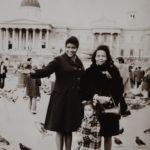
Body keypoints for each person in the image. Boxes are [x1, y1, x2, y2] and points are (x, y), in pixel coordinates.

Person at [30, 36, 85, 150]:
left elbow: (83, 79)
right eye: (68, 47)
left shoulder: (79, 62)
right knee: (60, 129)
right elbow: (47, 70)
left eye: (73, 47)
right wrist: (33, 72)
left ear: (77, 48)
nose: (70, 50)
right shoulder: (59, 60)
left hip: (73, 99)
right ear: (65, 47)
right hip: (61, 98)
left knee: (69, 129)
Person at [80, 45, 130, 150]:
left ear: (107, 57)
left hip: (109, 107)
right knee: (94, 134)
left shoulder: (113, 70)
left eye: (103, 55)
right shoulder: (89, 71)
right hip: (94, 106)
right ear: (94, 57)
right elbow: (84, 88)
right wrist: (95, 96)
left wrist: (109, 98)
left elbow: (119, 88)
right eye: (98, 55)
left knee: (108, 135)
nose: (100, 58)